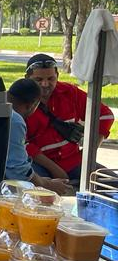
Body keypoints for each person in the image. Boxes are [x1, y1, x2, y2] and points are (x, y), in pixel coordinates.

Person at [24, 53, 114, 181]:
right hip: (38, 164)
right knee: (40, 195)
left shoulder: (69, 92)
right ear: (27, 78)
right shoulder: (19, 99)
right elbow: (23, 144)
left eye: (51, 79)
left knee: (112, 185)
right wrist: (56, 170)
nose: (45, 84)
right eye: (38, 80)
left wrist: (87, 155)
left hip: (73, 161)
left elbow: (105, 116)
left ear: (57, 76)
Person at [5, 79, 73, 195]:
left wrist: (42, 181)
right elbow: (18, 171)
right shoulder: (15, 120)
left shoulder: (1, 110)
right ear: (32, 105)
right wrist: (47, 185)